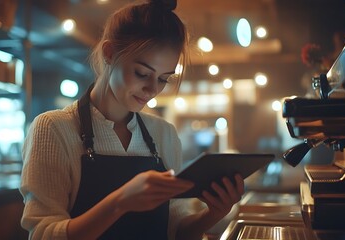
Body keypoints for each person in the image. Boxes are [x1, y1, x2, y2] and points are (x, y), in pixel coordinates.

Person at [19, 0, 245, 239]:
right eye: (142, 73)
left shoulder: (164, 133)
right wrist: (119, 202)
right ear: (109, 53)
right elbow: (43, 234)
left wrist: (215, 213)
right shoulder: (54, 128)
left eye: (163, 79)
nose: (151, 89)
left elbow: (175, 230)